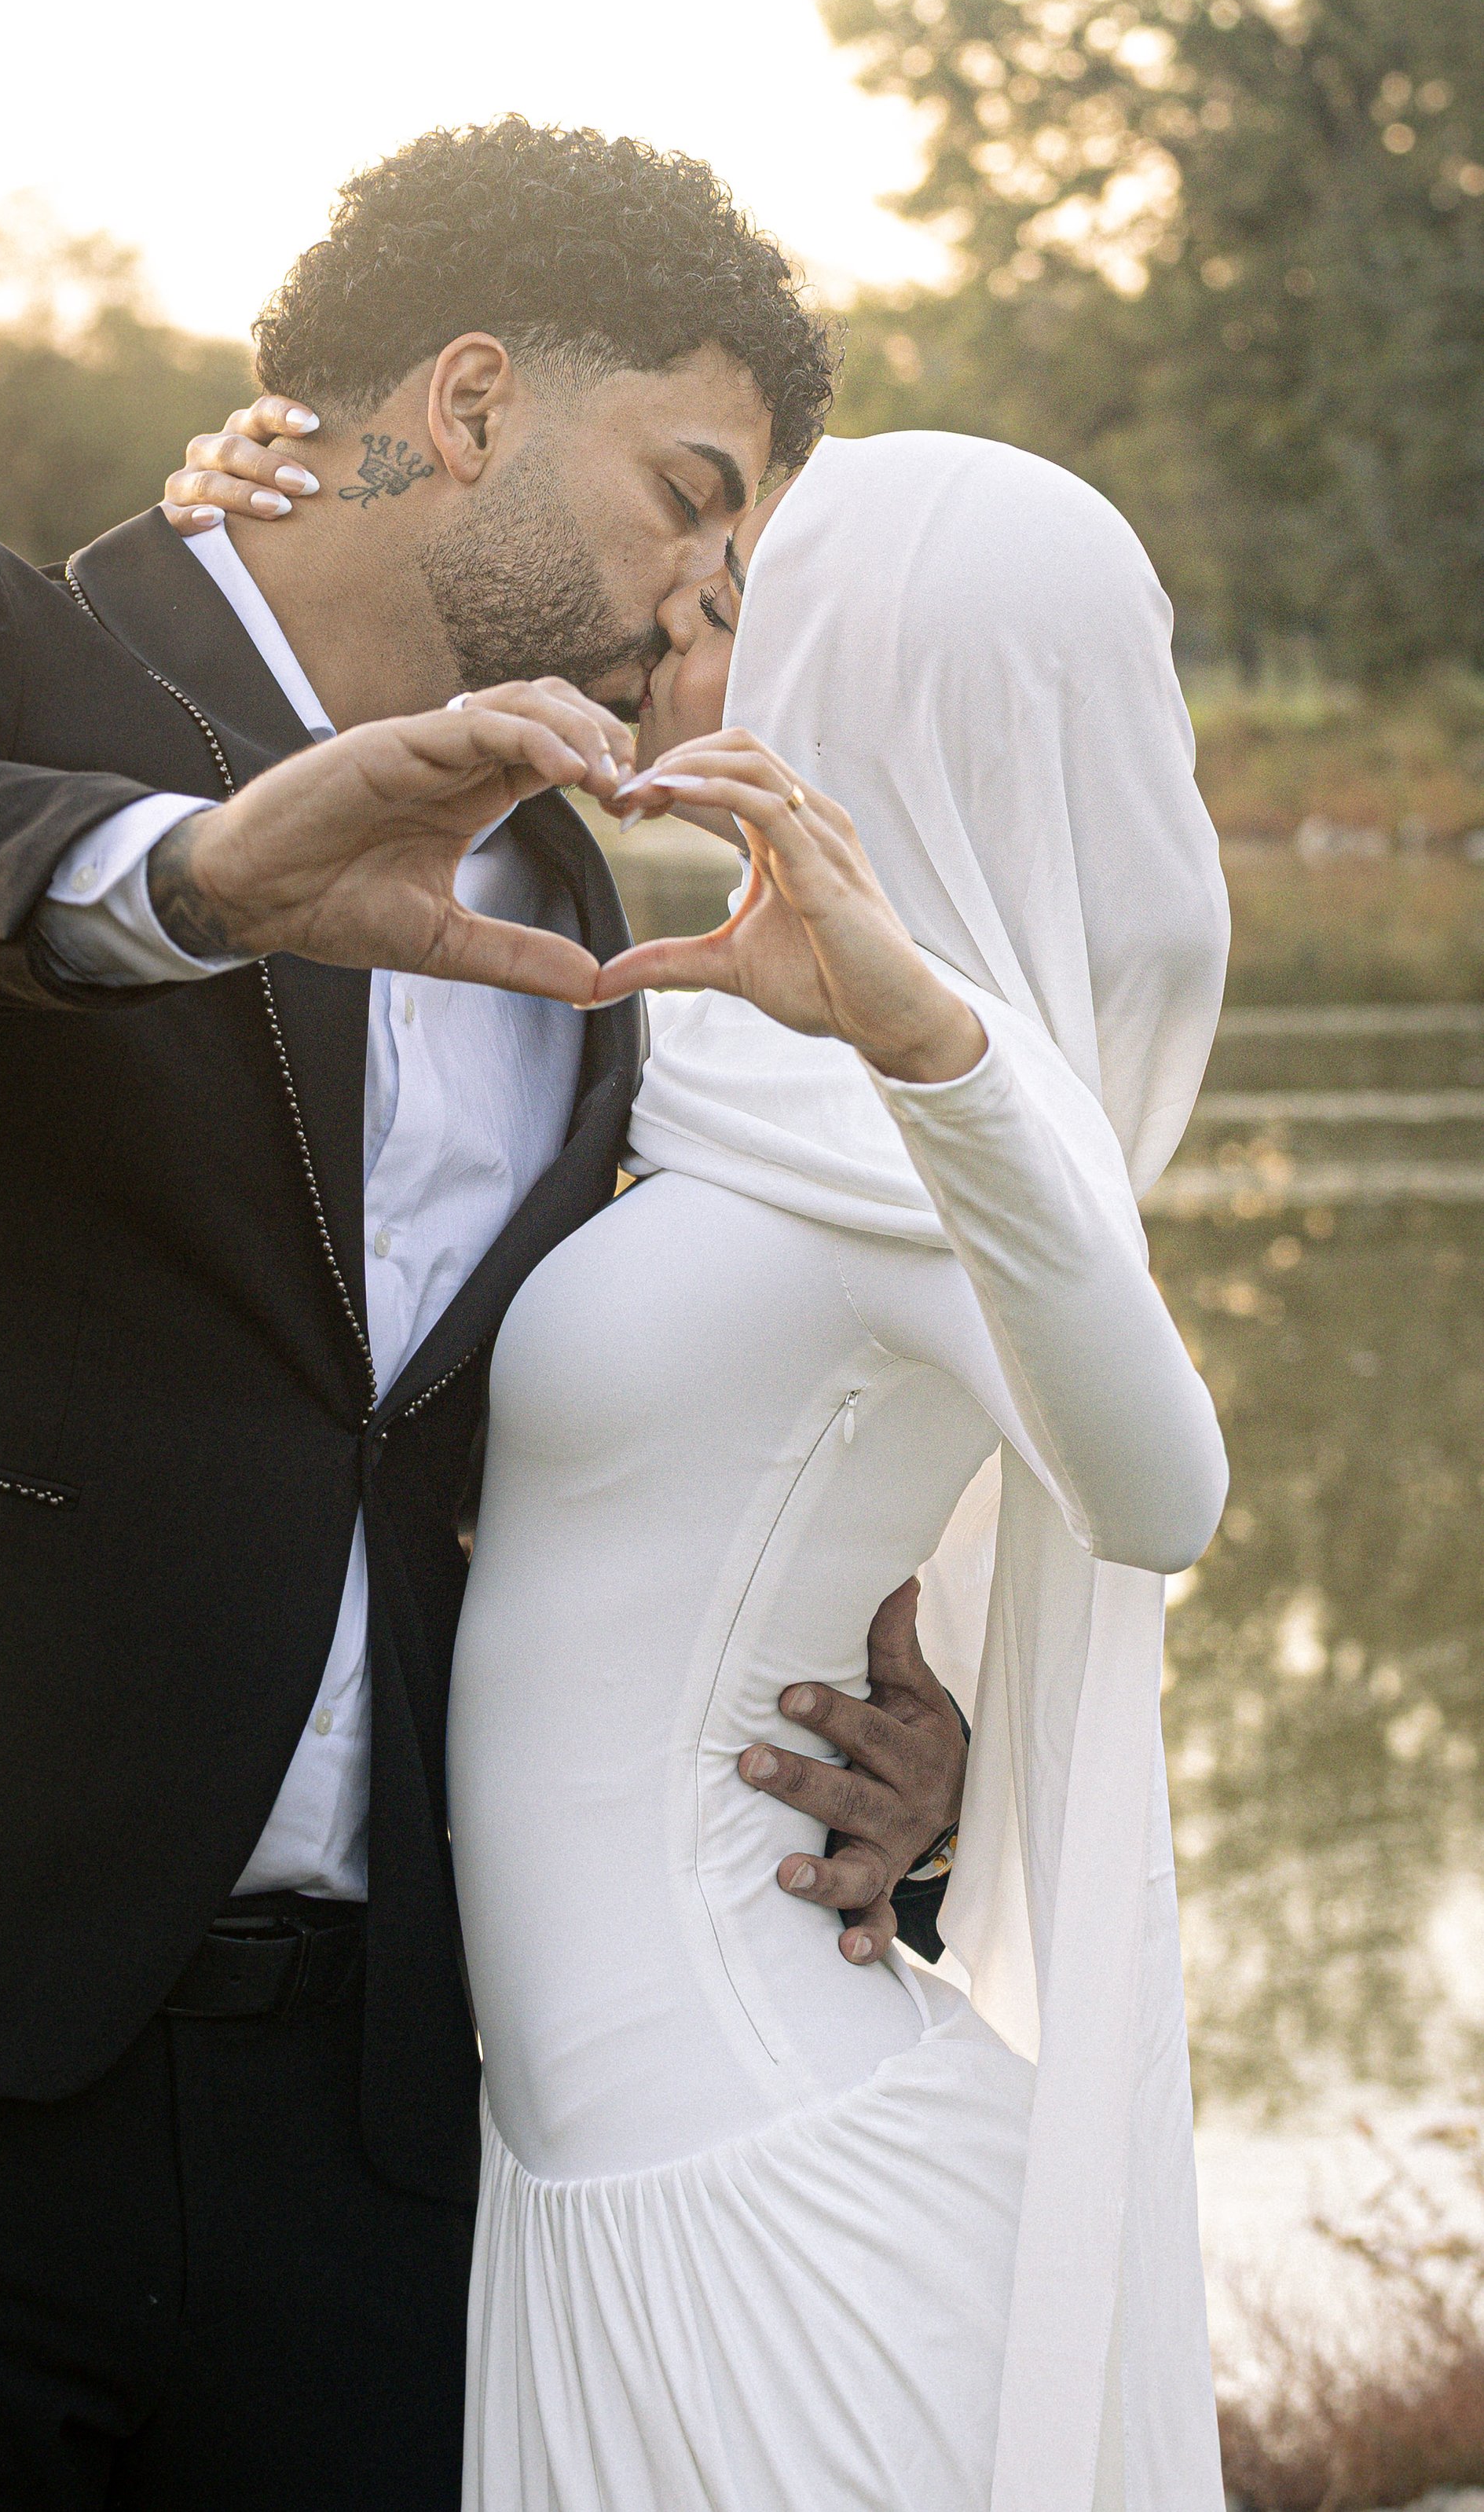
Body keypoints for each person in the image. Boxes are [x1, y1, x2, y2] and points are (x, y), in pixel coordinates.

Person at [0, 120, 956, 2512]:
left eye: (744, 553)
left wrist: (878, 1781)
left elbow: (570, 1466)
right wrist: (196, 874)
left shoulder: (600, 919)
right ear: (476, 403)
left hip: (381, 2115)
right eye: (687, 493)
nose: (704, 595)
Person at [440, 427, 1233, 2512]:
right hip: (595, 2161)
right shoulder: (705, 1046)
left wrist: (929, 1053)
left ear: (869, 702)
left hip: (770, 2178)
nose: (667, 663)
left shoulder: (965, 1112)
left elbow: (1156, 1500)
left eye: (723, 622)